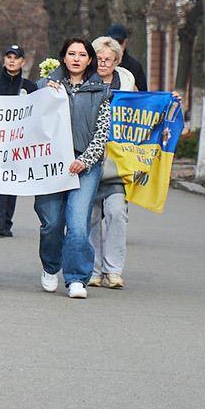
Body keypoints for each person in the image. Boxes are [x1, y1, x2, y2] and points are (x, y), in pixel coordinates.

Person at [35, 38, 112, 300]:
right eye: (71, 53)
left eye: (82, 54)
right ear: (63, 58)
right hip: (52, 165)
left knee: (78, 223)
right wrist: (44, 91)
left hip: (84, 166)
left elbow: (102, 133)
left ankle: (77, 277)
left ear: (90, 60)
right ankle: (50, 266)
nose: (76, 58)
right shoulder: (47, 86)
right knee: (51, 222)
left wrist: (86, 160)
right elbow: (31, 122)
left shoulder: (100, 91)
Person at [89, 35, 133, 289]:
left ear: (117, 61)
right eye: (99, 58)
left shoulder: (128, 86)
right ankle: (94, 269)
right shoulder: (84, 82)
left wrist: (170, 103)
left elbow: (146, 112)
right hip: (88, 161)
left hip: (117, 164)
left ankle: (113, 270)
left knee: (117, 213)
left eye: (108, 59)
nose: (103, 63)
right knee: (91, 216)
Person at [0, 44, 35, 237]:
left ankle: (6, 221)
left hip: (18, 143)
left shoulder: (29, 87)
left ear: (23, 61)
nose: (12, 60)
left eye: (16, 57)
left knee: (12, 181)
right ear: (4, 60)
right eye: (9, 57)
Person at [106, 23, 147, 89]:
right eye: (113, 42)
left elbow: (142, 95)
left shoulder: (134, 66)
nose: (117, 45)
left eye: (120, 41)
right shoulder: (98, 64)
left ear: (125, 41)